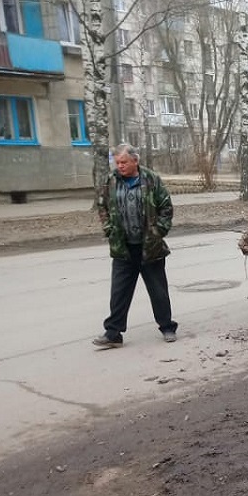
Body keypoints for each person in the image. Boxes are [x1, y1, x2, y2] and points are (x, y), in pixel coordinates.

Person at [92, 143, 178, 348]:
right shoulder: (111, 181)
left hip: (150, 246)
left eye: (124, 162)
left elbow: (166, 206)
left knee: (158, 290)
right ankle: (113, 334)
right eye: (117, 162)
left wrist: (158, 232)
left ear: (135, 161)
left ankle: (167, 327)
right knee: (119, 292)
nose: (120, 166)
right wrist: (109, 228)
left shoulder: (151, 179)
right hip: (123, 247)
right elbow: (102, 206)